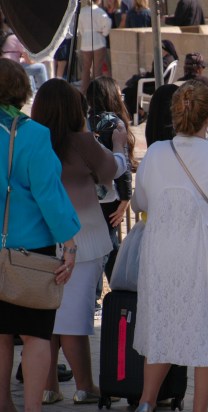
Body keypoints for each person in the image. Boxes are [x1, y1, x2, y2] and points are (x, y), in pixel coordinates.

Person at [132, 79, 208, 412]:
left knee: (165, 329)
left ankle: (146, 402)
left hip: (163, 257)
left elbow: (139, 201)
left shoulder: (155, 153)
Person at [31, 78, 127, 405]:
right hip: (82, 239)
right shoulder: (82, 142)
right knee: (74, 318)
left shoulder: (31, 141)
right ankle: (85, 386)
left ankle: (48, 387)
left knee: (45, 318)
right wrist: (119, 145)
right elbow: (113, 170)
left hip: (38, 239)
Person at [0, 59, 79, 412]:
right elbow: (50, 194)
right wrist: (71, 243)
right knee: (35, 334)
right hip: (31, 250)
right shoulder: (33, 134)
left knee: (0, 335)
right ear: (22, 91)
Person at [85, 76, 136, 298]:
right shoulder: (115, 123)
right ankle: (109, 292)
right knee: (108, 245)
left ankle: (109, 290)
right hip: (109, 196)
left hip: (86, 195)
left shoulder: (85, 121)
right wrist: (125, 199)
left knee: (103, 244)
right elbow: (122, 166)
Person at [122, 39, 178, 122]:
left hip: (153, 86)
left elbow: (157, 75)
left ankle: (138, 114)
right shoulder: (170, 58)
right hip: (155, 83)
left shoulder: (163, 61)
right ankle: (140, 112)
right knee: (132, 87)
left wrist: (144, 76)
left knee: (128, 90)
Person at [0, 24, 48, 93]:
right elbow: (29, 61)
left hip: (5, 64)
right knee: (41, 67)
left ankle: (31, 93)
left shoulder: (10, 36)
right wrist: (40, 61)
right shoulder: (18, 38)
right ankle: (45, 93)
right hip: (11, 67)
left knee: (25, 67)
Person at [77, 0, 112, 94]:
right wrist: (104, 33)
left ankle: (84, 92)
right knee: (98, 69)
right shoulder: (99, 11)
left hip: (86, 42)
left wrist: (85, 34)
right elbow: (108, 22)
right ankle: (97, 92)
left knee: (86, 69)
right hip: (98, 41)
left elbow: (80, 27)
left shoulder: (83, 11)